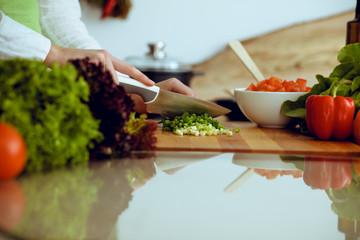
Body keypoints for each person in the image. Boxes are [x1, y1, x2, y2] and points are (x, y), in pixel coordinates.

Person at [0, 0, 198, 113]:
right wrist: (54, 53)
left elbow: (57, 19)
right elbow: (58, 50)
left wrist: (133, 92)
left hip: (30, 94)